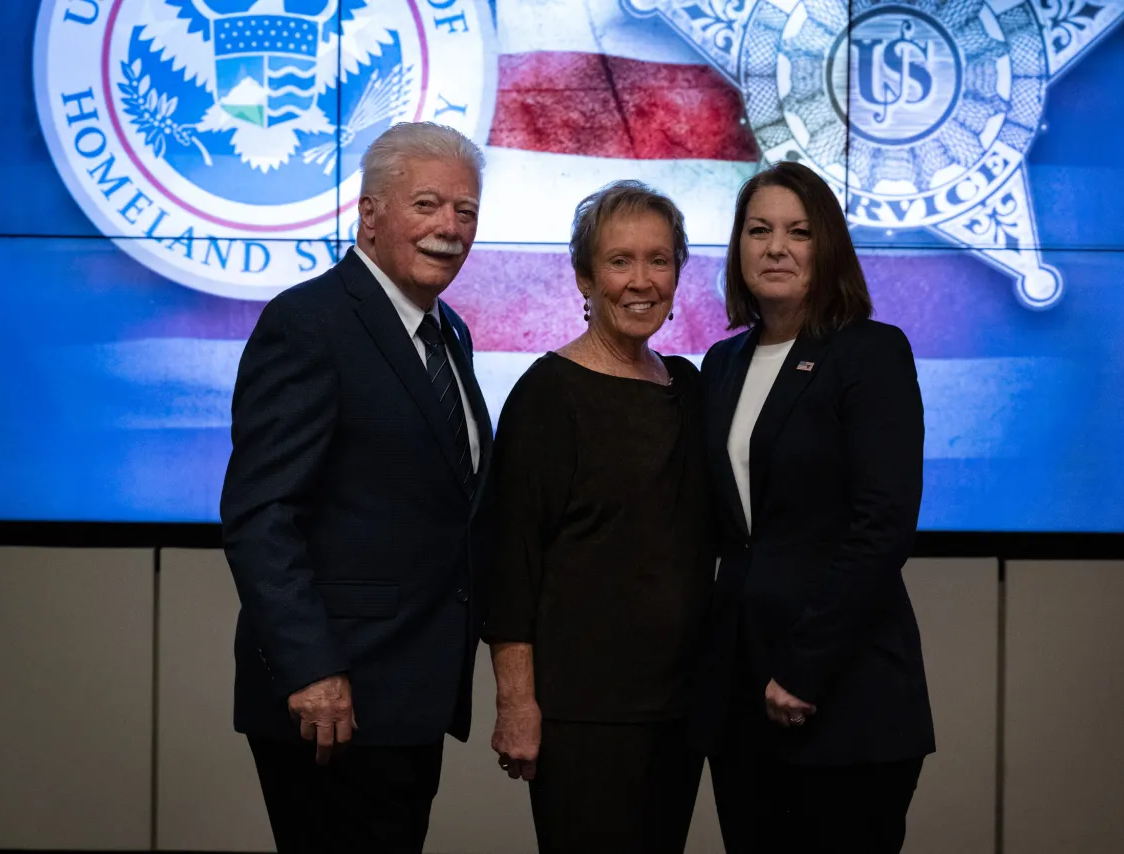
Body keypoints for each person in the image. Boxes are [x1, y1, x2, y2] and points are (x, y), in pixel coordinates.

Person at [219, 122, 493, 853]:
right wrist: (313, 670)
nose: (449, 228)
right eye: (428, 205)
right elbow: (261, 516)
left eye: (465, 211)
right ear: (369, 214)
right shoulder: (309, 324)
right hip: (331, 700)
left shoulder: (448, 333)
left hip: (407, 695)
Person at [692, 160, 935, 852]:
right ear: (737, 247)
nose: (776, 247)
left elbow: (881, 526)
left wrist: (804, 669)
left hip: (844, 694)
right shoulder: (722, 364)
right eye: (758, 229)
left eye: (798, 232)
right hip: (740, 698)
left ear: (827, 247)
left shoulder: (871, 353)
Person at [483, 180, 711, 854]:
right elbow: (511, 565)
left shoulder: (690, 391)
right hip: (583, 714)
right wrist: (515, 702)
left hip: (682, 706)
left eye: (659, 260)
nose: (640, 281)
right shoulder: (547, 397)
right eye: (619, 261)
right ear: (585, 276)